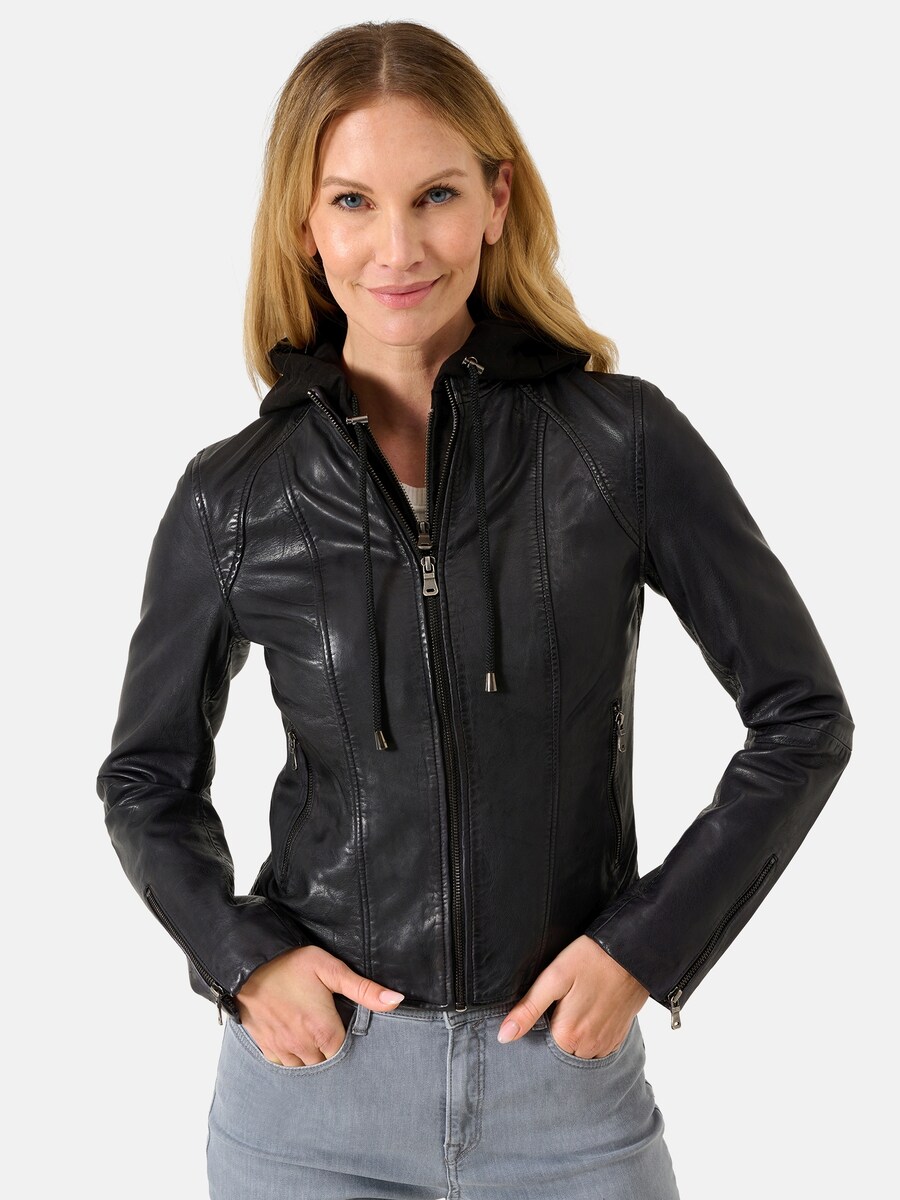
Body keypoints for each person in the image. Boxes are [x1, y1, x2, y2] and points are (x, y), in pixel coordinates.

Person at [95, 19, 854, 1200]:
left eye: (436, 195)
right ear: (303, 224)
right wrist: (242, 960)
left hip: (563, 1082)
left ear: (498, 201)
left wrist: (644, 949)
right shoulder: (233, 498)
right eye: (353, 202)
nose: (397, 247)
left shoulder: (620, 445)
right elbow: (146, 779)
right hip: (311, 1098)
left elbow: (803, 718)